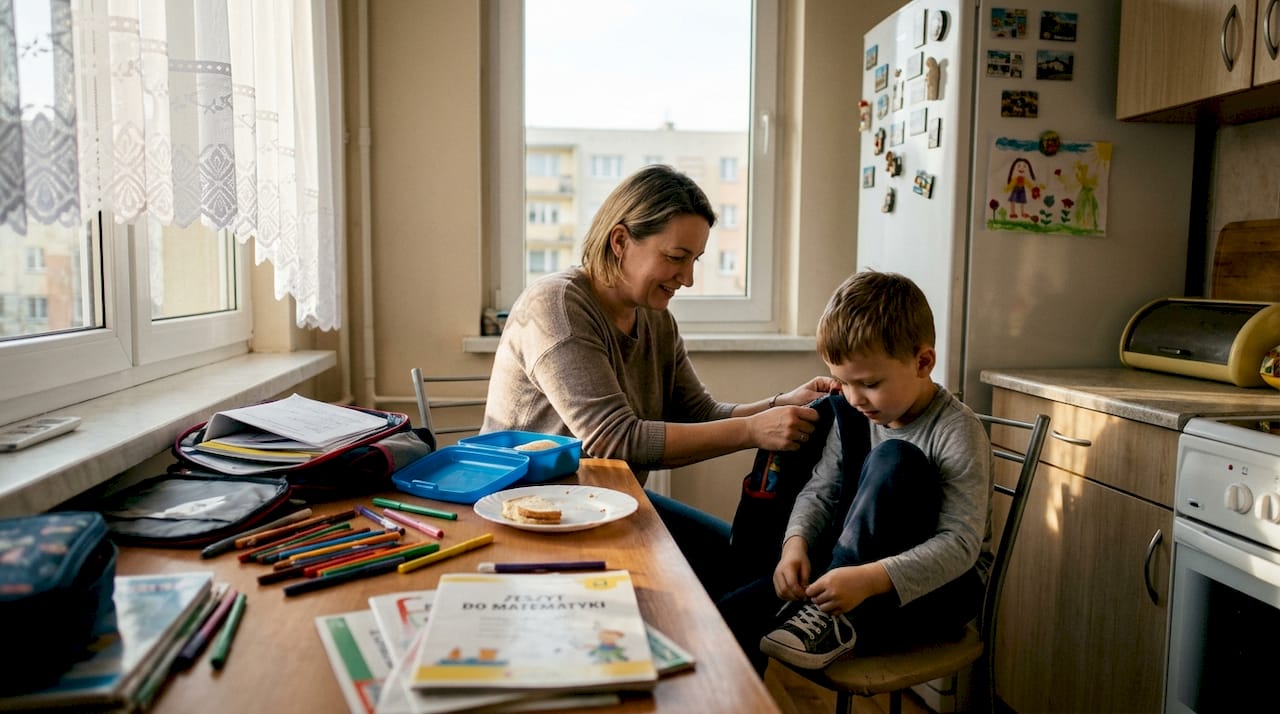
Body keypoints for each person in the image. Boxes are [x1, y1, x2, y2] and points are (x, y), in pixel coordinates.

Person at [481, 164, 837, 598]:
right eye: (675, 257)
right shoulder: (558, 307)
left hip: (604, 504)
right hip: (531, 516)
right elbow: (616, 439)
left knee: (744, 566)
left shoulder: (655, 317)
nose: (687, 278)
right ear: (620, 241)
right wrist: (751, 431)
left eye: (695, 261)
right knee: (705, 590)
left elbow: (701, 413)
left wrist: (779, 405)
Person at [719, 270, 993, 673]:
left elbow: (959, 546)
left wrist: (868, 579)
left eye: (868, 383)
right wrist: (793, 545)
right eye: (843, 382)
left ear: (923, 361)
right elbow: (822, 491)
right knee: (727, 620)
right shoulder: (856, 414)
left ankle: (830, 617)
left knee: (894, 458)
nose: (853, 397)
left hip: (938, 590)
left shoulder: (957, 430)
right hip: (851, 575)